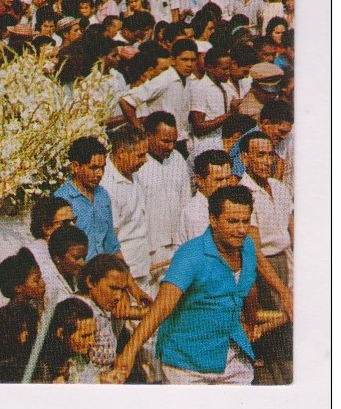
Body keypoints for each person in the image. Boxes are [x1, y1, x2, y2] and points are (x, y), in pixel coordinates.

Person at [114, 186, 259, 385]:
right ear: (213, 220)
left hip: (232, 361)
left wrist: (251, 324)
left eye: (246, 221)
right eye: (233, 222)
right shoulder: (191, 255)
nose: (241, 229)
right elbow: (162, 307)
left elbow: (250, 288)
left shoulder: (248, 247)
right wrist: (129, 353)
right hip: (186, 365)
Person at [238, 132, 293, 314]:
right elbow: (255, 253)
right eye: (260, 155)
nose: (268, 161)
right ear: (245, 158)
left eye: (270, 154)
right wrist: (283, 292)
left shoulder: (279, 187)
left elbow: (293, 229)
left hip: (287, 260)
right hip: (265, 269)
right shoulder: (243, 194)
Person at [138, 112, 192, 285]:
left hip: (177, 244)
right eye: (165, 141)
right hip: (150, 247)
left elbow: (186, 203)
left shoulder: (178, 159)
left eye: (173, 141)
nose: (170, 147)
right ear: (148, 136)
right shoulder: (138, 165)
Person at [121, 38, 197, 157]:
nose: (189, 64)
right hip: (160, 143)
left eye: (193, 60)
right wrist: (140, 131)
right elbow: (126, 101)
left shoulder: (188, 80)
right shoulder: (164, 79)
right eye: (184, 59)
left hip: (181, 141)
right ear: (173, 60)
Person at [100, 125, 152, 292]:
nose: (146, 160)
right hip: (124, 276)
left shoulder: (134, 174)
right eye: (140, 155)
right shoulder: (107, 185)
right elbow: (111, 240)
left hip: (142, 267)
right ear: (121, 152)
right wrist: (126, 280)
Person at [32, 297, 101, 383]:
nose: (92, 341)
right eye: (85, 336)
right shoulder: (40, 368)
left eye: (93, 334)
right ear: (61, 333)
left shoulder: (79, 355)